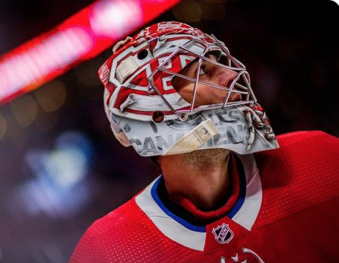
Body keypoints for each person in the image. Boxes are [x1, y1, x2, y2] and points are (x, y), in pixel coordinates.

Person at [70, 21, 339, 263]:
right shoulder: (110, 252)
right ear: (152, 115)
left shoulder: (320, 158)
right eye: (203, 72)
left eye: (221, 63)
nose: (230, 75)